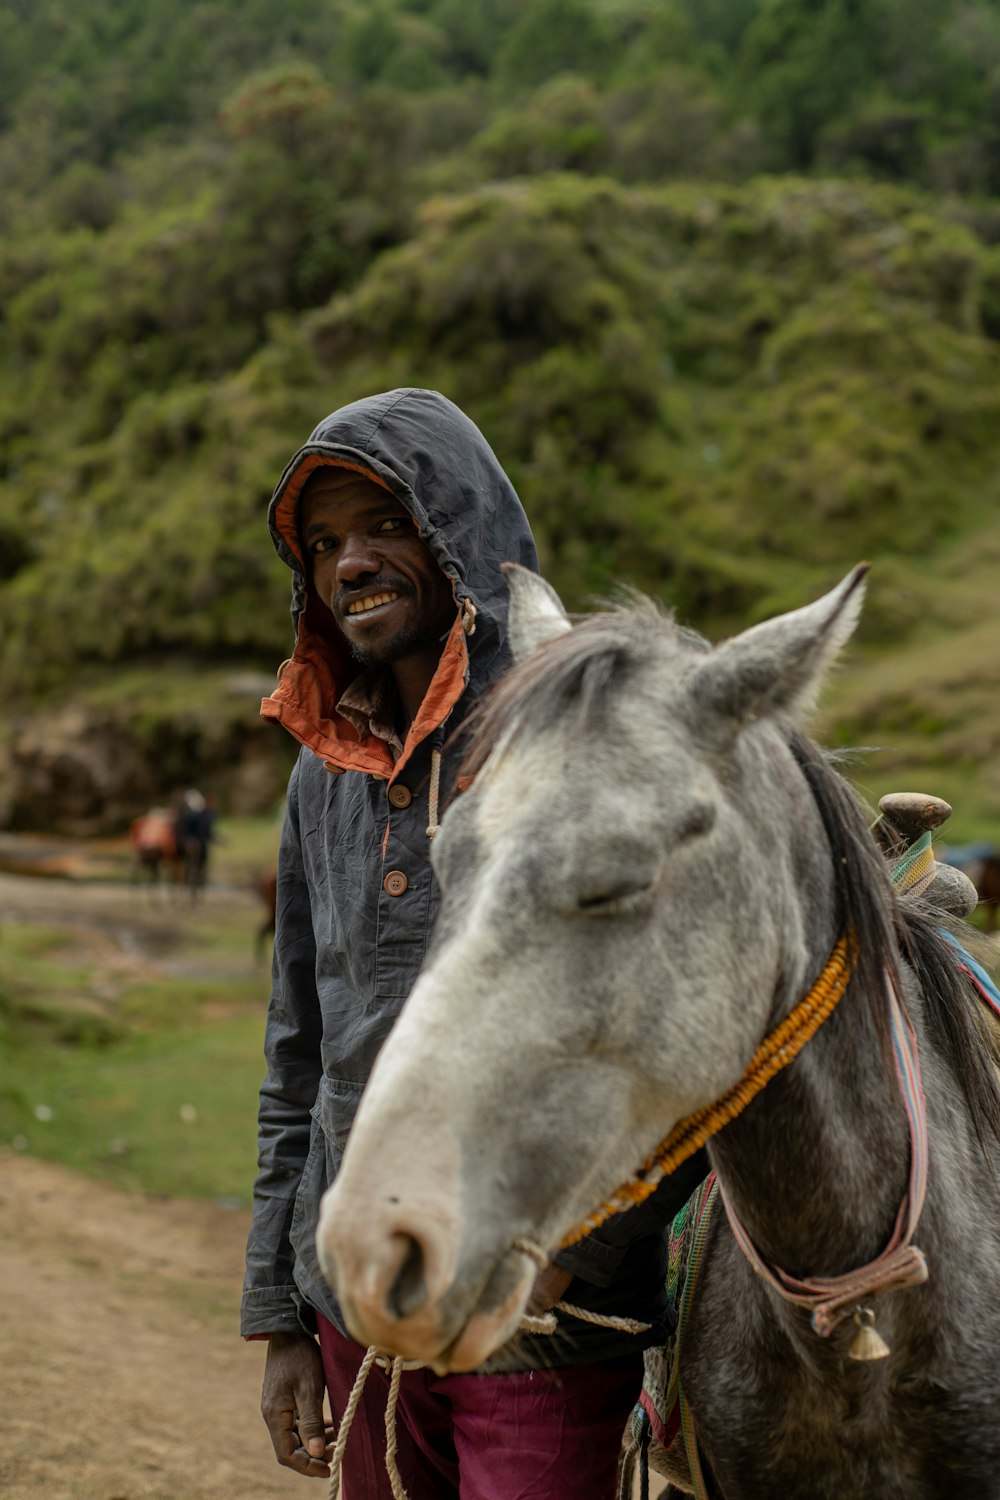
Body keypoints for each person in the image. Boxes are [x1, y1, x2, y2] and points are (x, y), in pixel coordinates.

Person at [240, 388, 706, 1498]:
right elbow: (298, 1051)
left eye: (386, 525)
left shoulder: (577, 746)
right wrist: (280, 1313)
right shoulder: (322, 773)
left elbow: (674, 1041)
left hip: (535, 1314)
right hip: (357, 1301)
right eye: (322, 545)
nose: (350, 562)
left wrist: (573, 1256)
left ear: (462, 532)